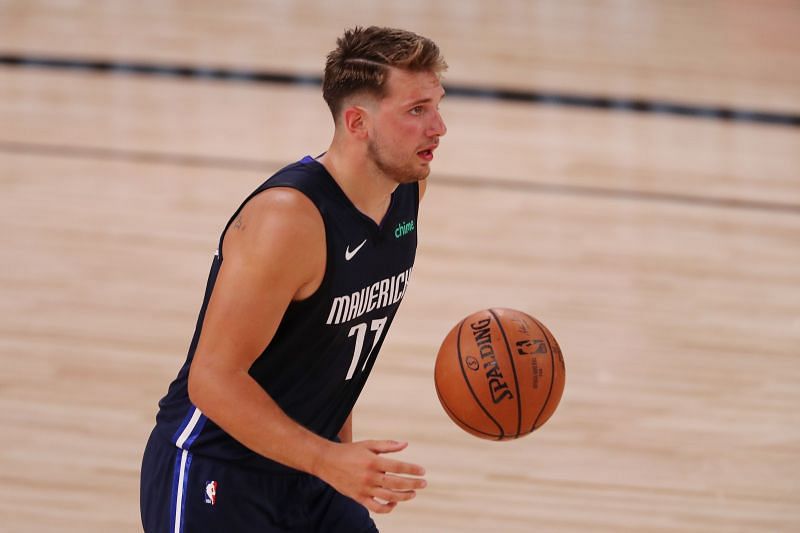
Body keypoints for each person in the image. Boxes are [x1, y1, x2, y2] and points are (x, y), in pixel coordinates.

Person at [140, 25, 448, 532]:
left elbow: (330, 351)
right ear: (357, 122)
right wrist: (329, 461)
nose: (438, 126)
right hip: (217, 473)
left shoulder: (406, 195)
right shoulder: (288, 220)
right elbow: (212, 379)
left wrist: (339, 459)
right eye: (416, 110)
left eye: (437, 104)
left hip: (309, 468)